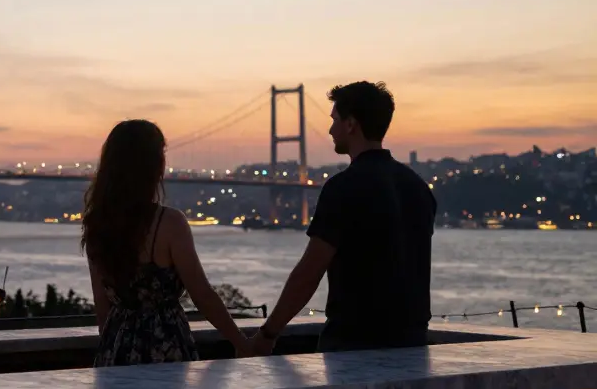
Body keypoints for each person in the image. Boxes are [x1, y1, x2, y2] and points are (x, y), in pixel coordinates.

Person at [250, 82, 435, 355]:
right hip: (414, 345)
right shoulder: (418, 187)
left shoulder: (342, 187)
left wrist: (268, 333)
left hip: (355, 344)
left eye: (334, 120)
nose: (330, 130)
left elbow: (310, 271)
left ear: (350, 124)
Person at [83, 119, 250, 366]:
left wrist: (110, 347)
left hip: (115, 346)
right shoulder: (169, 223)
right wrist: (241, 343)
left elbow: (102, 306)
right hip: (166, 347)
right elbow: (202, 295)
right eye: (161, 153)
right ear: (153, 165)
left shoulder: (98, 223)